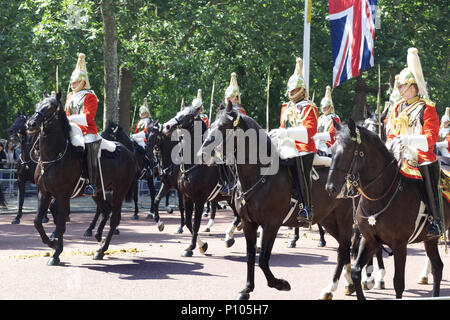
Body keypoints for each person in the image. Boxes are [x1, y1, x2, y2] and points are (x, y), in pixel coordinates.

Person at [385, 47, 442, 237]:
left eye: (402, 86)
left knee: (426, 170)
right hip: (398, 151)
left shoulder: (427, 108)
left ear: (412, 87)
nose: (399, 90)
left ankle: (436, 220)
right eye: (399, 87)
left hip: (420, 153)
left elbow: (431, 137)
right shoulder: (397, 108)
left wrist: (408, 139)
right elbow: (392, 132)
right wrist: (394, 143)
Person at [279, 57, 318, 222]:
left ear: (302, 90)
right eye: (290, 90)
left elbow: (310, 131)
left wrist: (287, 133)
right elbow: (282, 126)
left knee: (301, 167)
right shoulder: (285, 107)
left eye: (294, 90)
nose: (291, 93)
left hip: (304, 148)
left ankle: (306, 207)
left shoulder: (309, 107)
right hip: (286, 146)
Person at [65, 53, 100, 196]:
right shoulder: (69, 97)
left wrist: (69, 119)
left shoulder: (90, 96)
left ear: (83, 83)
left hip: (87, 130)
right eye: (72, 82)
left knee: (89, 144)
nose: (73, 85)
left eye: (75, 82)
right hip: (72, 129)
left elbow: (88, 117)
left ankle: (92, 183)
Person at [314, 86, 340, 156]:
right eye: (323, 108)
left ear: (330, 107)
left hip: (329, 145)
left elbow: (331, 134)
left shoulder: (335, 118)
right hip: (317, 142)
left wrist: (317, 136)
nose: (324, 109)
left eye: (326, 107)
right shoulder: (320, 118)